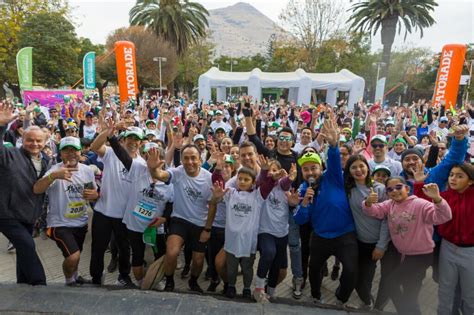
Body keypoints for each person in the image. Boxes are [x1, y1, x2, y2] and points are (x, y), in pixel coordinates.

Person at [363, 177, 452, 315]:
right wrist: (368, 203)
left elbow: (443, 216)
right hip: (404, 255)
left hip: (421, 256)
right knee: (410, 292)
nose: (394, 191)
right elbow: (375, 211)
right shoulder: (389, 204)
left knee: (392, 283)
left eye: (398, 187)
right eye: (390, 189)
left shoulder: (420, 204)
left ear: (407, 188)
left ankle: (405, 311)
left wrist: (438, 199)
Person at [294, 118, 358, 308]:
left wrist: (333, 144)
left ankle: (341, 297)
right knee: (314, 269)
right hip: (320, 237)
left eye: (313, 167)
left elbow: (334, 158)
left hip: (344, 235)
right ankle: (315, 295)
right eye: (305, 169)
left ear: (321, 168)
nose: (310, 171)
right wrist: (305, 203)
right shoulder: (304, 190)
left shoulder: (333, 177)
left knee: (352, 270)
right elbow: (299, 219)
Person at [147, 143, 213, 293]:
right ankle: (169, 281)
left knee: (198, 260)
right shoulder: (177, 172)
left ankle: (193, 281)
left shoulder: (208, 178)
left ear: (200, 159)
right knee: (171, 252)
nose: (190, 162)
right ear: (181, 160)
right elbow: (160, 175)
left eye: (193, 158)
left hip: (200, 223)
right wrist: (153, 168)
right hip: (179, 220)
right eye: (186, 158)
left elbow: (213, 206)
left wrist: (207, 229)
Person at [33, 137, 98, 286]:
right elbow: (37, 189)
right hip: (59, 224)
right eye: (66, 150)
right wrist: (54, 176)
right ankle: (69, 282)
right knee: (73, 256)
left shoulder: (87, 170)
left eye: (74, 149)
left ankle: (75, 276)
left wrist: (95, 195)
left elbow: (92, 192)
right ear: (60, 153)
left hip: (81, 222)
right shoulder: (55, 170)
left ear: (80, 151)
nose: (71, 153)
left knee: (75, 253)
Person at [209, 156, 277, 300]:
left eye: (246, 179)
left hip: (248, 243)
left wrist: (264, 171)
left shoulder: (257, 196)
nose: (242, 182)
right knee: (232, 269)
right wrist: (218, 169)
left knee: (247, 269)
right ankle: (232, 286)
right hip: (231, 241)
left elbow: (268, 185)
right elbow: (217, 182)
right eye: (240, 179)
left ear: (253, 182)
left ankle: (247, 288)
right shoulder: (230, 193)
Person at [413, 163, 474, 315]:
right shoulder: (444, 196)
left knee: (470, 293)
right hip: (447, 248)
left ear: (471, 181)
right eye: (452, 175)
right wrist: (419, 183)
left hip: (471, 252)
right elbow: (423, 204)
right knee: (445, 289)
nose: (453, 179)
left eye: (460, 176)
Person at [89, 125, 146, 286]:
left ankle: (124, 276)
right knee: (98, 248)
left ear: (141, 143)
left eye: (137, 139)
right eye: (130, 138)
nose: (133, 142)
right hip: (103, 211)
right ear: (124, 139)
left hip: (125, 215)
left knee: (124, 249)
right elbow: (94, 147)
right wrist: (109, 131)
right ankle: (96, 276)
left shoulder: (142, 164)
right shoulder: (111, 153)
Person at [0, 103, 50, 285]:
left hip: (29, 216)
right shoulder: (9, 155)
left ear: (45, 143)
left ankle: (22, 284)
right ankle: (40, 284)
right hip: (7, 215)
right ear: (22, 138)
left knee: (23, 250)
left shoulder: (45, 161)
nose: (34, 144)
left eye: (39, 141)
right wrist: (1, 125)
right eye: (30, 140)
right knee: (28, 246)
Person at [343, 155, 389, 310]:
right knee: (352, 274)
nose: (358, 170)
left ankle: (367, 302)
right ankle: (359, 299)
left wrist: (381, 246)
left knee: (365, 278)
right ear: (348, 171)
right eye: (353, 167)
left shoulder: (379, 189)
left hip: (376, 243)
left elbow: (387, 219)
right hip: (356, 241)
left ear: (367, 168)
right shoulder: (349, 189)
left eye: (361, 166)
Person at [254, 161, 297, 302]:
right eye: (270, 170)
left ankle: (271, 290)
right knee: (268, 252)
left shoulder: (285, 188)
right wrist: (265, 172)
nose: (273, 172)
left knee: (277, 265)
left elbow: (285, 183)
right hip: (265, 230)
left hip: (282, 232)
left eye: (275, 170)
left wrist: (290, 180)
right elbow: (262, 179)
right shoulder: (262, 186)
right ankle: (259, 288)